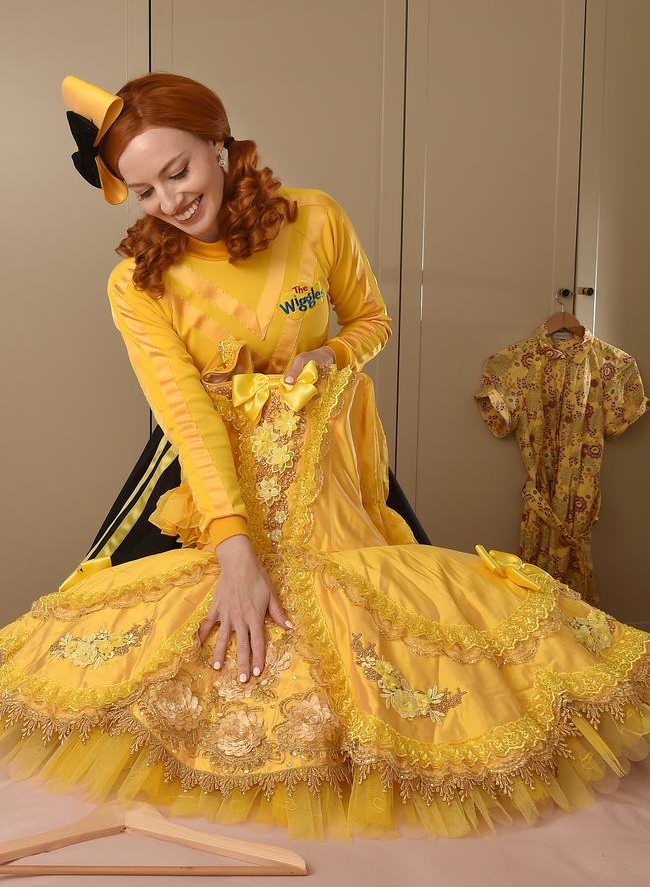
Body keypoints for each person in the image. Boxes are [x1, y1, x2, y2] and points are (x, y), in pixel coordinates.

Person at [0, 72, 648, 843]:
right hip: (210, 480)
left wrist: (333, 355)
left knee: (389, 621)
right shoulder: (135, 283)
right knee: (160, 644)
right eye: (143, 190)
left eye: (178, 172)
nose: (170, 202)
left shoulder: (314, 218)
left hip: (327, 466)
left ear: (221, 143)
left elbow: (372, 319)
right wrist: (236, 549)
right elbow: (186, 417)